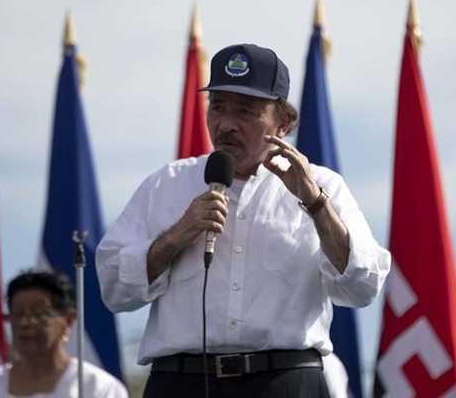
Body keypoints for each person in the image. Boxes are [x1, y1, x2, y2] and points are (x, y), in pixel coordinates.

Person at [96, 43, 391, 398]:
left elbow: (363, 286)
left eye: (246, 111)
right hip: (182, 383)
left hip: (285, 382)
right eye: (217, 107)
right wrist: (178, 234)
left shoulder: (323, 186)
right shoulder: (168, 184)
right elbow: (113, 288)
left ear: (283, 123)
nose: (226, 125)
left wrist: (315, 204)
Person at [0, 271, 127, 398]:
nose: (26, 323)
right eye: (18, 314)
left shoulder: (97, 387)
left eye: (39, 313)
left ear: (68, 320)